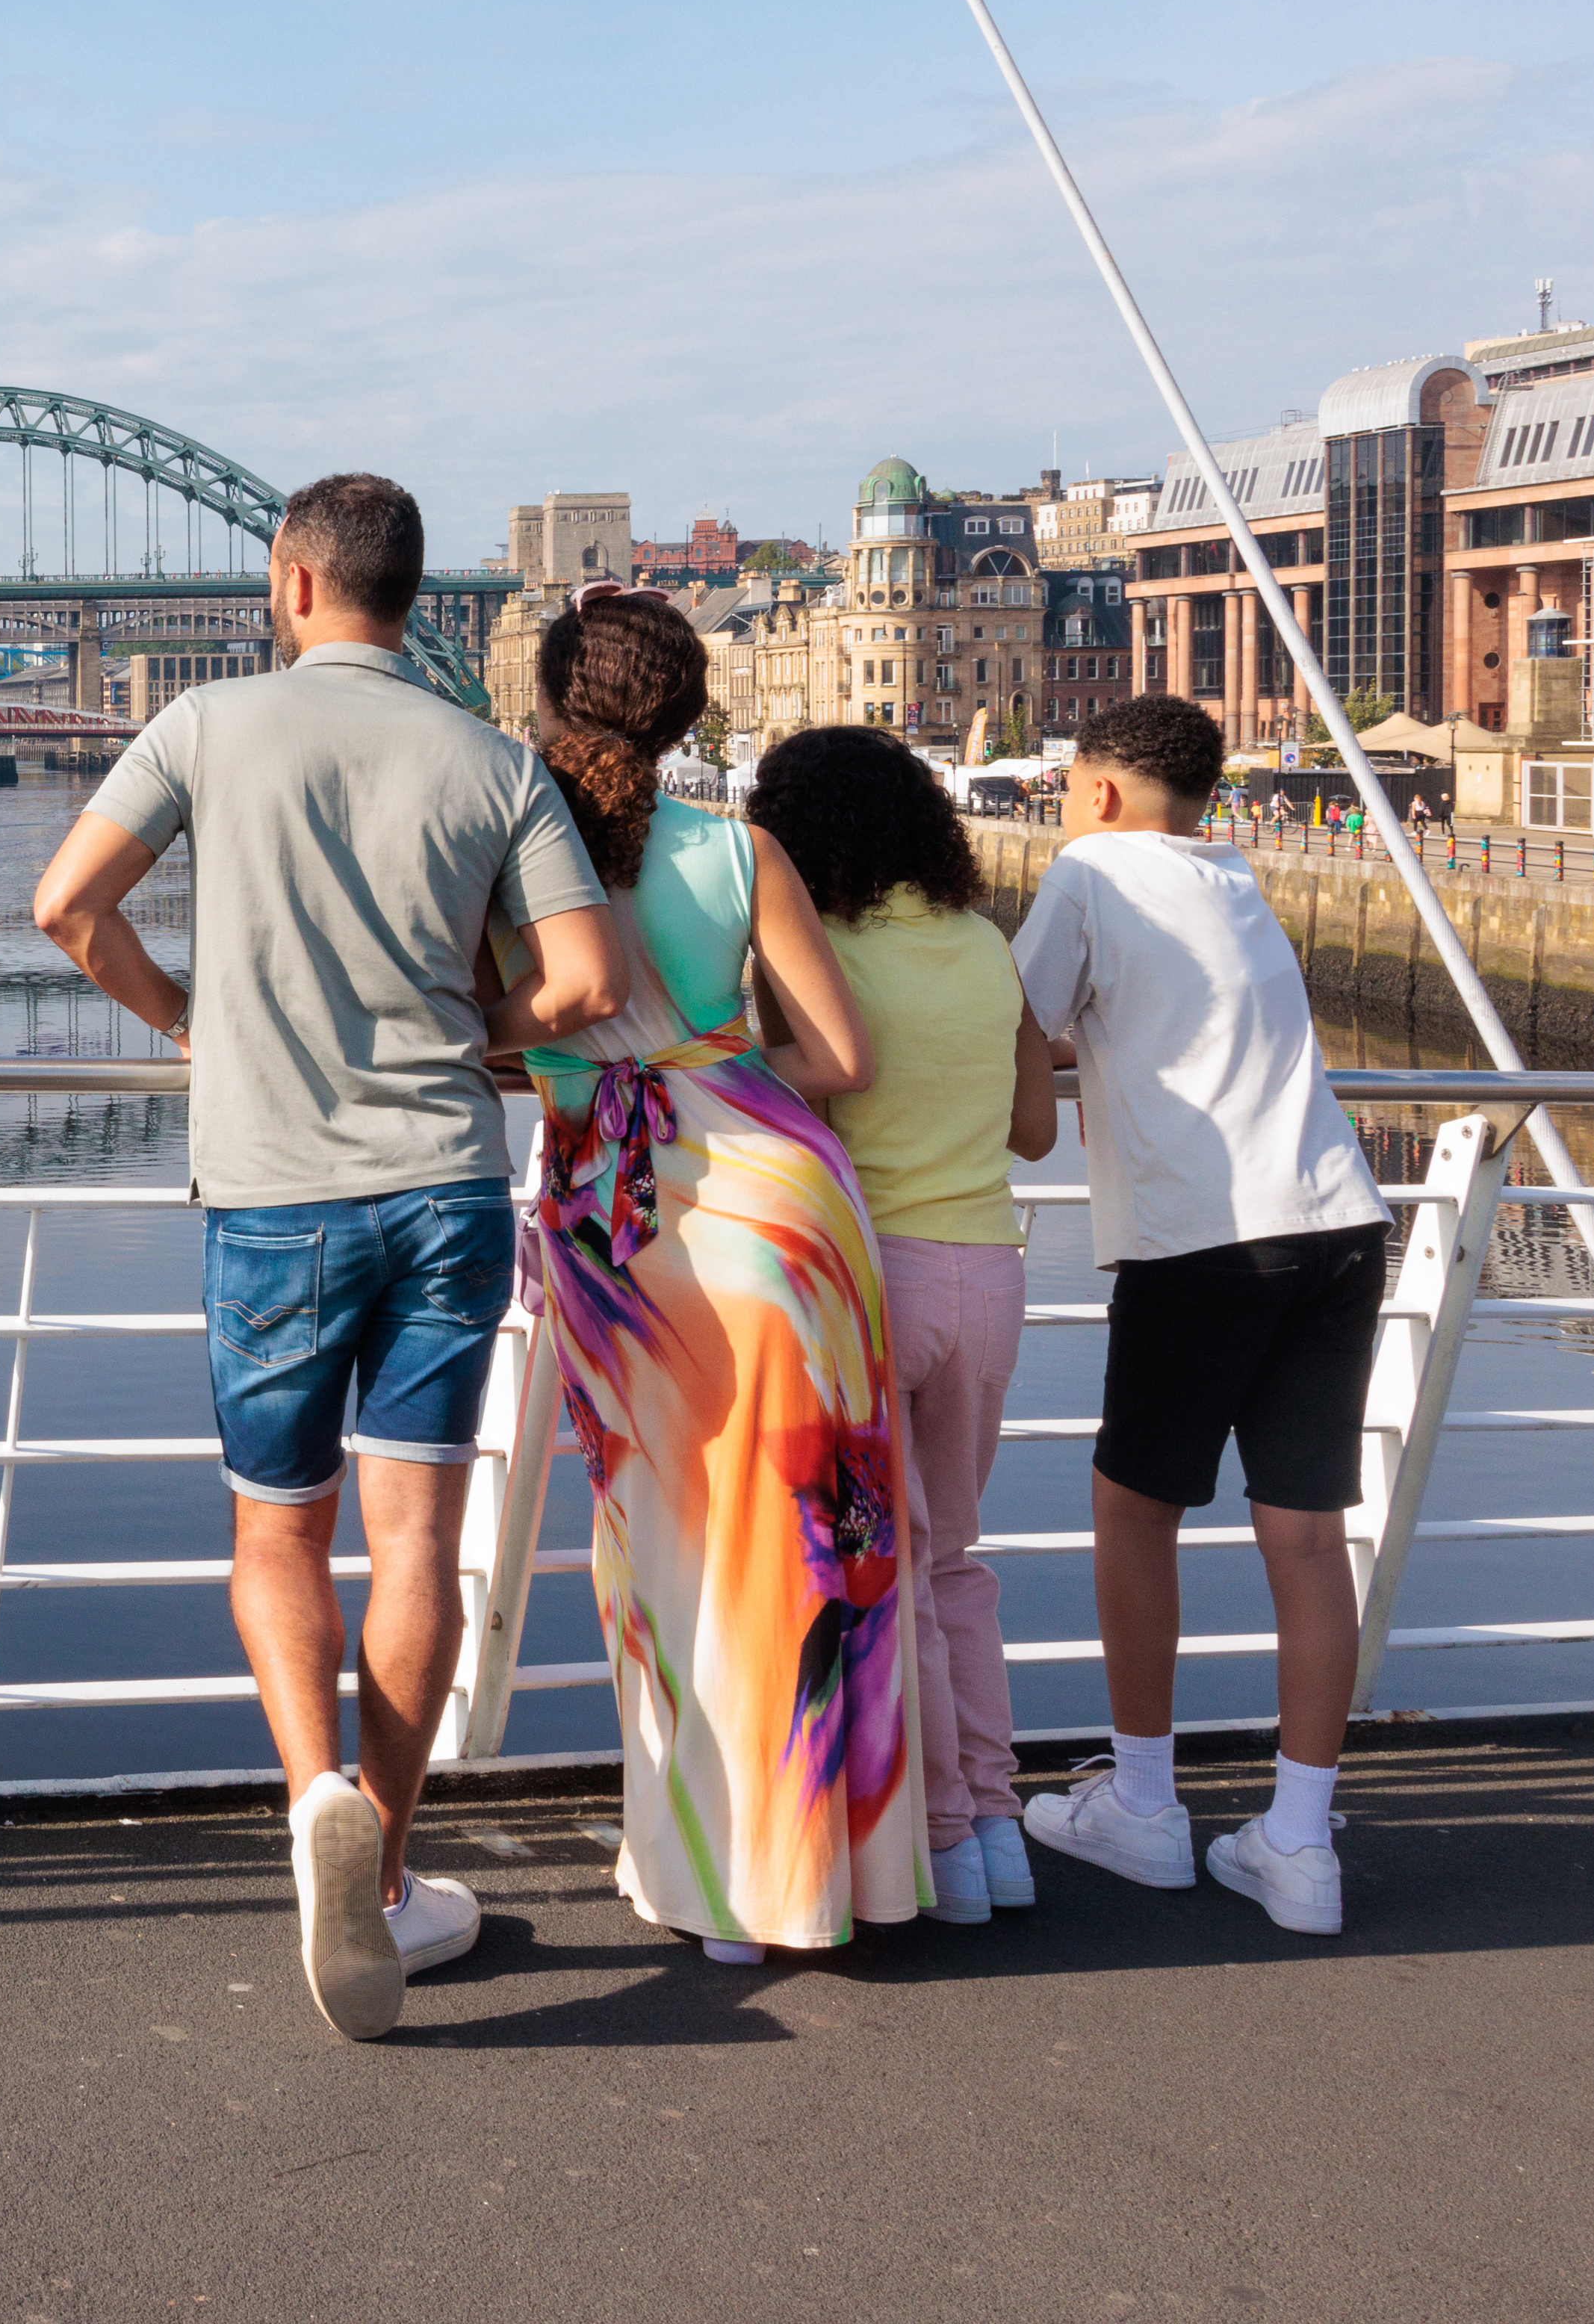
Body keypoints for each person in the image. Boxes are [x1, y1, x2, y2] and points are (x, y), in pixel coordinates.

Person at [32, 474, 627, 2041]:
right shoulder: (492, 759)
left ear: (294, 583)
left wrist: (182, 1017)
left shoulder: (205, 726)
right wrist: (472, 1029)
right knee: (415, 1538)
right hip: (441, 1185)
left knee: (275, 1534)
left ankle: (313, 1800)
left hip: (269, 1194)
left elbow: (63, 904)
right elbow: (581, 980)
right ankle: (386, 1873)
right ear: (408, 595)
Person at [516, 592, 928, 1963]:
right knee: (818, 1550)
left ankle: (711, 1885)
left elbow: (493, 1039)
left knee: (667, 1545)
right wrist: (705, 1074)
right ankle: (825, 1878)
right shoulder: (740, 851)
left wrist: (594, 1076)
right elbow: (841, 1062)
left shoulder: (516, 861)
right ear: (690, 712)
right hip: (787, 1212)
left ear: (551, 706)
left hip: (625, 1232)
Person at [1013, 694, 1390, 1934]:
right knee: (1303, 1535)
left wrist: (1060, 1077)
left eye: (1071, 787)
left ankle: (1141, 1804)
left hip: (1203, 1234)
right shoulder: (1233, 876)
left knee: (1133, 1509)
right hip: (1335, 1217)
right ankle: (1297, 1843)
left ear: (1103, 792)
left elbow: (1013, 1025)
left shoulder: (1086, 870)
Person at [743, 725, 1063, 1923]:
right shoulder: (985, 945)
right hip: (989, 1271)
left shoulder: (810, 948)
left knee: (894, 1575)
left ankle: (941, 1847)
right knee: (956, 1562)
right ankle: (999, 1824)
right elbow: (1034, 1132)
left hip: (874, 1275)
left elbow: (797, 1083)